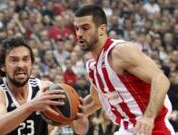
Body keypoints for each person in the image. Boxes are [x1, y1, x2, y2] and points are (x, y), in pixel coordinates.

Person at [73, 4, 175, 135]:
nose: (79, 34)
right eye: (76, 29)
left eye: (85, 28)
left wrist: (149, 117)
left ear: (102, 29)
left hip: (152, 128)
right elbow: (97, 100)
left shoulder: (120, 52)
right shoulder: (92, 66)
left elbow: (161, 80)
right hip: (127, 129)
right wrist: (74, 113)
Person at [0, 36, 88, 135]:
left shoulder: (46, 88)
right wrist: (31, 106)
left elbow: (81, 130)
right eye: (14, 60)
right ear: (3, 66)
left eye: (25, 59)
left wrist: (80, 119)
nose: (21, 65)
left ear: (31, 64)